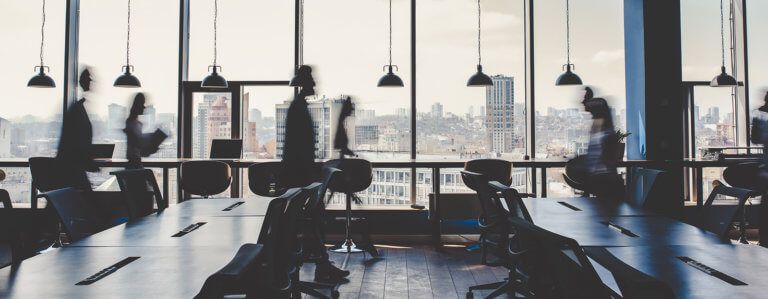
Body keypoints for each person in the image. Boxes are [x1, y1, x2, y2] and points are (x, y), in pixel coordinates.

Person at [281, 65, 350, 283]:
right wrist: (310, 173)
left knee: (312, 220)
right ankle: (321, 265)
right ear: (304, 84)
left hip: (298, 174)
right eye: (311, 82)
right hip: (300, 176)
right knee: (313, 219)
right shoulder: (299, 109)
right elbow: (300, 147)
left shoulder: (298, 107)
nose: (314, 85)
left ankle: (319, 264)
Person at [568, 87, 624, 199]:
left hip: (604, 183)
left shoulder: (606, 134)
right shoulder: (597, 129)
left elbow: (605, 161)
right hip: (600, 181)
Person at [56, 68, 98, 191]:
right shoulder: (77, 109)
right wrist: (88, 161)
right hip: (73, 167)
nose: (90, 82)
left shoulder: (77, 107)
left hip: (70, 165)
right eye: (88, 79)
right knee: (86, 196)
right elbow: (77, 140)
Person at [124, 93, 164, 169]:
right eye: (142, 104)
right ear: (138, 106)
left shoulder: (132, 122)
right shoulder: (134, 123)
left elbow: (138, 145)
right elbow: (139, 145)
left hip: (134, 162)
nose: (144, 107)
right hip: (135, 163)